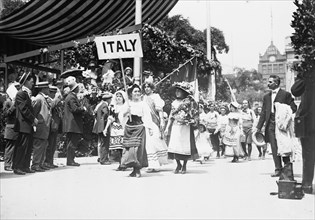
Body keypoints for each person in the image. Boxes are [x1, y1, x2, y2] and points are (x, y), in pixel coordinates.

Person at [256, 75, 297, 177]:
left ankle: (287, 170)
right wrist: (258, 127)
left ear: (276, 83)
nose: (268, 84)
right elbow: (263, 113)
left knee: (284, 146)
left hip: (281, 125)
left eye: (270, 82)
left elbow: (293, 108)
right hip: (270, 124)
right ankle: (278, 169)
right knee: (274, 147)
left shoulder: (286, 95)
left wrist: (283, 111)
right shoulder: (266, 96)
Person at [164, 82, 199, 174]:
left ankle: (184, 165)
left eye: (180, 91)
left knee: (184, 146)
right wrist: (167, 127)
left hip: (185, 127)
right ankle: (178, 164)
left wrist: (192, 120)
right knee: (175, 146)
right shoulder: (174, 103)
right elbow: (171, 116)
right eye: (176, 91)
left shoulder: (189, 102)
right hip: (176, 126)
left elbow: (194, 113)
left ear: (184, 92)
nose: (177, 92)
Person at [120, 84, 153, 178]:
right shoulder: (128, 103)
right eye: (135, 91)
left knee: (137, 149)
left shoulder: (143, 104)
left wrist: (150, 128)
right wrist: (126, 112)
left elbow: (147, 116)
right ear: (131, 93)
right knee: (129, 149)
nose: (137, 93)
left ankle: (138, 169)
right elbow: (121, 115)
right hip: (129, 127)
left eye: (138, 91)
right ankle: (133, 170)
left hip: (139, 127)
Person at [291, 70, 315, 194]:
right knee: (308, 154)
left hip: (309, 120)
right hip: (309, 121)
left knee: (308, 155)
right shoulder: (308, 71)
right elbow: (295, 91)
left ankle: (306, 185)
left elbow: (295, 90)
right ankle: (306, 185)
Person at [12, 72, 38, 175]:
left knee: (28, 146)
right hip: (23, 124)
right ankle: (17, 167)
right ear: (26, 81)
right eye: (31, 82)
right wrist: (33, 119)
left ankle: (25, 166)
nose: (33, 83)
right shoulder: (21, 94)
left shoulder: (26, 93)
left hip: (27, 125)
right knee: (21, 146)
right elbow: (24, 110)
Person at [142, 82, 168, 172]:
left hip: (154, 122)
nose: (146, 89)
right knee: (148, 143)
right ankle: (151, 164)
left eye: (148, 87)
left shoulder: (156, 97)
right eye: (145, 87)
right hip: (145, 122)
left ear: (152, 88)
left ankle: (155, 164)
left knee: (155, 141)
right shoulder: (143, 98)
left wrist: (161, 122)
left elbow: (160, 110)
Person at [63, 77, 86, 166]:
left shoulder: (71, 96)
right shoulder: (71, 97)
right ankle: (70, 160)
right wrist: (82, 108)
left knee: (71, 142)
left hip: (72, 124)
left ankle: (70, 159)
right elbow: (75, 109)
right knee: (72, 142)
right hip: (73, 124)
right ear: (75, 88)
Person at [103, 90, 128, 171]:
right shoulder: (113, 107)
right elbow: (110, 118)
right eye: (117, 96)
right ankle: (121, 164)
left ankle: (124, 164)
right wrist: (106, 128)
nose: (118, 98)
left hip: (123, 128)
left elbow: (127, 118)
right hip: (115, 128)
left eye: (120, 96)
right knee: (118, 148)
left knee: (123, 147)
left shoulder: (126, 107)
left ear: (123, 98)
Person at [31, 81, 52, 172]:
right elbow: (34, 112)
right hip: (40, 126)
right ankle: (35, 164)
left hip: (45, 126)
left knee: (43, 145)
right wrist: (35, 123)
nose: (49, 90)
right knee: (38, 146)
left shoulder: (44, 98)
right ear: (43, 89)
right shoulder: (39, 98)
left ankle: (40, 163)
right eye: (47, 88)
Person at [45, 85, 63, 168]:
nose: (54, 94)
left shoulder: (55, 100)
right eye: (53, 93)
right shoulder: (48, 100)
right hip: (50, 125)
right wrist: (56, 99)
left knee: (53, 144)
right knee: (49, 144)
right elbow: (51, 106)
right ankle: (47, 161)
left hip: (55, 125)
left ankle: (50, 161)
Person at [3, 83, 20, 171]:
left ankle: (12, 164)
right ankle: (7, 164)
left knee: (15, 146)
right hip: (10, 127)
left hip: (15, 126)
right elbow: (5, 114)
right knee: (10, 147)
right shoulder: (8, 102)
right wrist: (13, 106)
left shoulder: (15, 101)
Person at [92, 91, 112, 165]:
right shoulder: (105, 106)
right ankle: (104, 159)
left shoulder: (100, 105)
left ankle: (102, 158)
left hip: (99, 127)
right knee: (105, 143)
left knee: (102, 143)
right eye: (110, 99)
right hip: (103, 127)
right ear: (108, 99)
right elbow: (105, 115)